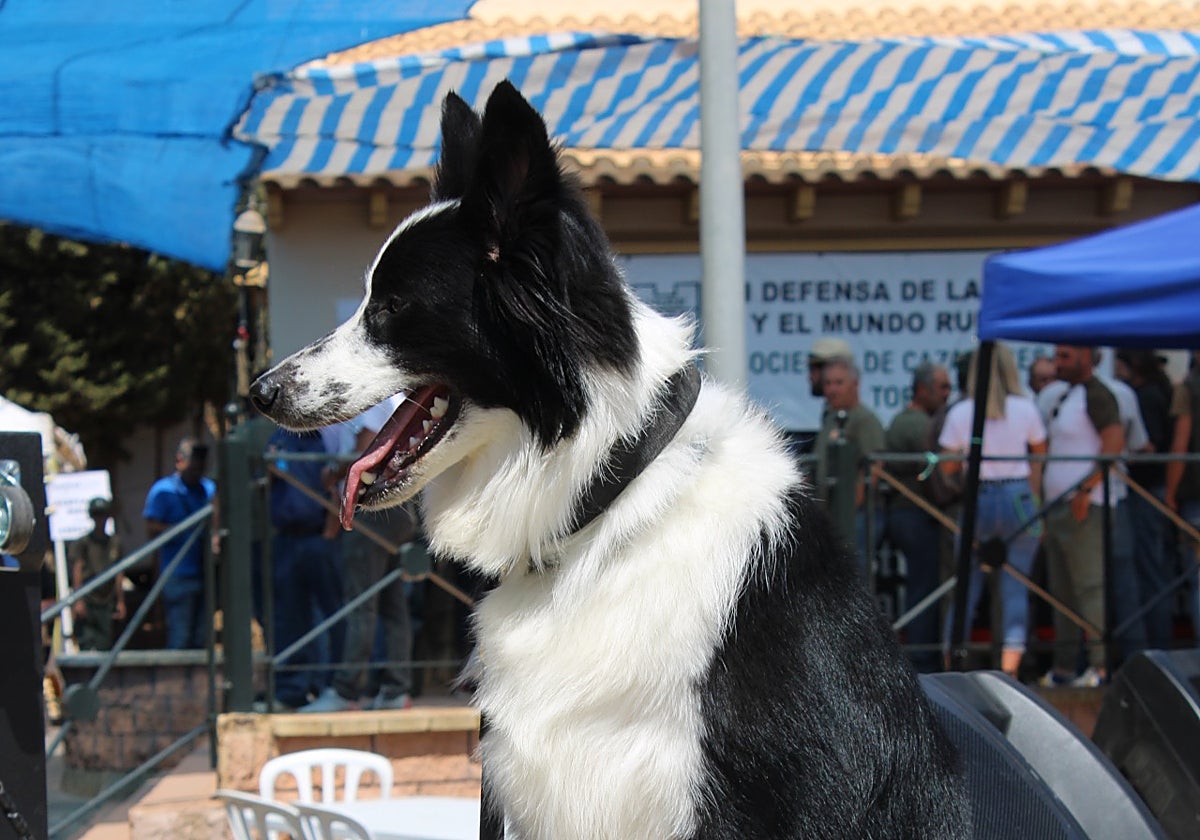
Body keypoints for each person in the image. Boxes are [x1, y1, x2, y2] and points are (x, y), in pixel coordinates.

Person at [302, 396, 416, 712]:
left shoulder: (376, 401)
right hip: (394, 510)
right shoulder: (392, 399)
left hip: (373, 510)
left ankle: (346, 691)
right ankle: (396, 689)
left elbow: (363, 455)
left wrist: (333, 473)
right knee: (392, 604)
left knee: (360, 603)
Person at [939, 344, 1047, 678]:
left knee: (966, 587)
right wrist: (1035, 493)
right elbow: (1039, 454)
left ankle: (952, 669)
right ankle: (1010, 674)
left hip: (980, 495)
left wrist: (961, 483)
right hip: (1019, 496)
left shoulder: (962, 411)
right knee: (1016, 587)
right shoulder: (1026, 408)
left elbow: (947, 465)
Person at [1037, 346, 1125, 687]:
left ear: (1087, 357)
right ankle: (1064, 667)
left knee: (1090, 587)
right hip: (1060, 506)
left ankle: (1101, 667)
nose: (1059, 362)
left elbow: (1113, 444)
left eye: (1066, 356)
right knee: (1062, 592)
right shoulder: (1064, 395)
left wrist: (1087, 490)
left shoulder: (1099, 395)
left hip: (1086, 507)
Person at [263, 427, 344, 711]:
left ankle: (329, 687)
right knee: (289, 618)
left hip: (319, 536)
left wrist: (329, 534)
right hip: (286, 538)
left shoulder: (327, 438)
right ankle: (291, 691)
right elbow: (265, 482)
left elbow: (337, 486)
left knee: (332, 616)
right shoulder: (278, 438)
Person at [883, 362, 951, 672]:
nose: (948, 395)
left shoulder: (903, 420)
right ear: (922, 390)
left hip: (905, 515)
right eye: (942, 388)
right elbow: (936, 471)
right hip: (916, 516)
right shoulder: (917, 425)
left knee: (920, 588)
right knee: (924, 589)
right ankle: (923, 658)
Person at [1116, 349, 1176, 650]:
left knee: (1150, 569)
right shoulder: (1155, 391)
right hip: (1150, 490)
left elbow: (1150, 446)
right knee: (1152, 567)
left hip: (1146, 491)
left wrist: (1123, 452)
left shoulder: (1147, 395)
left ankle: (1157, 644)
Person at [143, 436, 216, 649]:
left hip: (206, 573)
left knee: (202, 637)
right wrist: (181, 529)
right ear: (179, 461)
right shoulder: (162, 490)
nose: (197, 472)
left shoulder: (208, 489)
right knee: (180, 635)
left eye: (200, 468)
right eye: (193, 467)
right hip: (177, 573)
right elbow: (151, 527)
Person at [813, 355, 885, 571]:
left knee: (853, 570)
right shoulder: (830, 418)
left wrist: (850, 509)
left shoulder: (864, 419)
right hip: (831, 514)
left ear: (855, 385)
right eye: (827, 384)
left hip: (858, 516)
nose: (832, 390)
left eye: (839, 383)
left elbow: (873, 466)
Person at [1166, 350, 1200, 645]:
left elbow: (1181, 443)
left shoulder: (1189, 389)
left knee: (1198, 580)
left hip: (1195, 494)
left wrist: (1170, 493)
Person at [69, 497, 126, 651]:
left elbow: (119, 572)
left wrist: (120, 600)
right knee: (86, 642)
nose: (100, 520)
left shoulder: (114, 542)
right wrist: (78, 599)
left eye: (103, 515)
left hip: (106, 599)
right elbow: (78, 569)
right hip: (88, 598)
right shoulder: (83, 542)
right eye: (97, 515)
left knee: (105, 644)